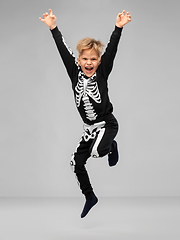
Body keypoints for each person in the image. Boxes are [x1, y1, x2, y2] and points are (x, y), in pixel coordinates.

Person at [39, 9, 131, 218]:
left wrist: (118, 28)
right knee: (76, 162)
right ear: (79, 60)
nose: (89, 63)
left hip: (107, 124)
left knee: (98, 152)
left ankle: (110, 145)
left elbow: (112, 50)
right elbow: (63, 50)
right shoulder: (74, 72)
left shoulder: (102, 70)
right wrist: (53, 28)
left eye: (93, 59)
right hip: (90, 130)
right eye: (85, 59)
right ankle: (90, 196)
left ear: (99, 62)